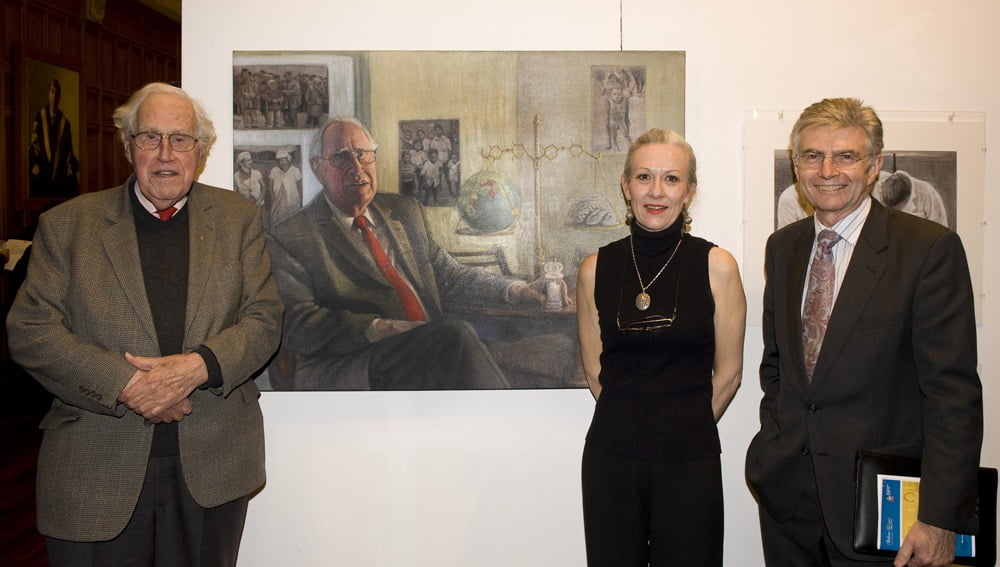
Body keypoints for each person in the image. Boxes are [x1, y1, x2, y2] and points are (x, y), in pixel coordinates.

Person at [6, 82, 284, 566]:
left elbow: (264, 318)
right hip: (95, 464)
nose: (165, 154)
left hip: (212, 461)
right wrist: (128, 384)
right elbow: (30, 330)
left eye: (180, 139)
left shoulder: (239, 218)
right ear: (127, 143)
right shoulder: (67, 225)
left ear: (201, 150)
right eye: (149, 138)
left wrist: (197, 368)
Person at [745, 98, 982, 567]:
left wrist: (939, 517)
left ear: (874, 167)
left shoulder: (928, 249)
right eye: (813, 156)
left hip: (883, 511)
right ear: (797, 166)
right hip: (788, 503)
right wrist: (774, 442)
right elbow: (778, 368)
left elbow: (952, 395)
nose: (828, 170)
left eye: (846, 156)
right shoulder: (784, 248)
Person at [266, 117, 560, 390]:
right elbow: (296, 321)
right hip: (353, 362)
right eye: (341, 157)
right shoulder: (289, 237)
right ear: (317, 166)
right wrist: (380, 328)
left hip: (431, 348)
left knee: (554, 347)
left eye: (363, 154)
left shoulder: (405, 212)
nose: (356, 168)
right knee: (457, 339)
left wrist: (516, 289)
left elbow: (451, 276)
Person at [576, 128, 746, 566]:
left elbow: (729, 374)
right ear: (625, 184)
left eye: (671, 179)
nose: (656, 191)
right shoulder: (595, 269)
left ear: (689, 191)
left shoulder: (718, 266)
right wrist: (639, 428)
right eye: (644, 177)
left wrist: (678, 428)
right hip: (611, 459)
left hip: (690, 460)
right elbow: (597, 373)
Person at [28, 78, 80, 198]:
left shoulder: (64, 122)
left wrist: (69, 165)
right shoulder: (40, 116)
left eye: (57, 93)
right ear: (48, 94)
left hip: (59, 170)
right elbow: (34, 141)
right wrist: (35, 162)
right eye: (52, 91)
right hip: (42, 166)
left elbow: (68, 148)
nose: (54, 96)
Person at [268, 149, 302, 224]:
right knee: (277, 220)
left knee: (292, 221)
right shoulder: (274, 171)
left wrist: (300, 201)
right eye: (280, 161)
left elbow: (300, 187)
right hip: (278, 200)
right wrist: (274, 199)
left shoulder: (295, 171)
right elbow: (270, 187)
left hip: (292, 200)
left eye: (284, 160)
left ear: (288, 160)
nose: (282, 163)